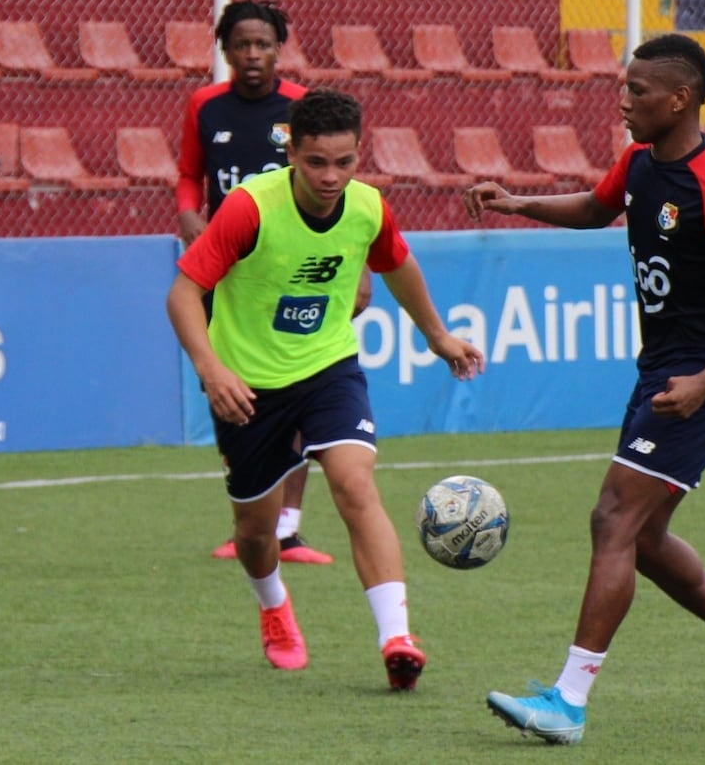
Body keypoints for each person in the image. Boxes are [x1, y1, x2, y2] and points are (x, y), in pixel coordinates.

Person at [464, 33, 705, 743]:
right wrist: (517, 205)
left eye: (638, 91)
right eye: (624, 87)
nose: (624, 101)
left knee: (613, 517)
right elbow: (597, 207)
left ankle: (567, 701)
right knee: (644, 538)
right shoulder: (640, 164)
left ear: (680, 98)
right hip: (661, 369)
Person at [166, 88, 484, 685]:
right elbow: (183, 294)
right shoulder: (248, 208)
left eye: (345, 162)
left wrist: (438, 335)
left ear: (359, 154)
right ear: (292, 153)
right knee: (256, 534)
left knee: (354, 484)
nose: (331, 176)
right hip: (249, 387)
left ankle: (397, 637)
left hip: (328, 368)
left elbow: (399, 264)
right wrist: (212, 371)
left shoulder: (367, 207)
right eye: (317, 162)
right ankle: (273, 606)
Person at [176, 0, 370, 564]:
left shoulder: (301, 109)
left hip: (293, 273)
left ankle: (289, 527)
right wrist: (189, 212)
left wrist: (356, 273)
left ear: (280, 48)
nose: (253, 54)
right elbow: (190, 174)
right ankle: (254, 514)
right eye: (242, 44)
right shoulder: (204, 105)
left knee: (304, 386)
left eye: (263, 44)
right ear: (226, 50)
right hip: (227, 271)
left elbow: (341, 197)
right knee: (236, 391)